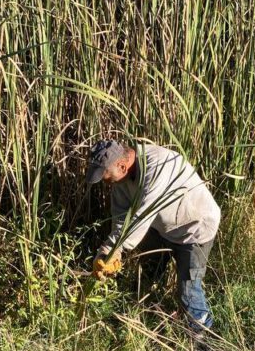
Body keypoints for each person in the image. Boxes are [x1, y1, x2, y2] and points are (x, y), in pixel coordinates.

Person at [86, 138, 221, 334]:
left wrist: (119, 248)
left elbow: (143, 215)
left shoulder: (158, 164)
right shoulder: (121, 180)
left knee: (189, 290)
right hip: (162, 228)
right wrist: (107, 251)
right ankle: (144, 318)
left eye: (106, 177)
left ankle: (203, 337)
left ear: (122, 166)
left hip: (195, 229)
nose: (106, 183)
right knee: (147, 272)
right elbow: (121, 218)